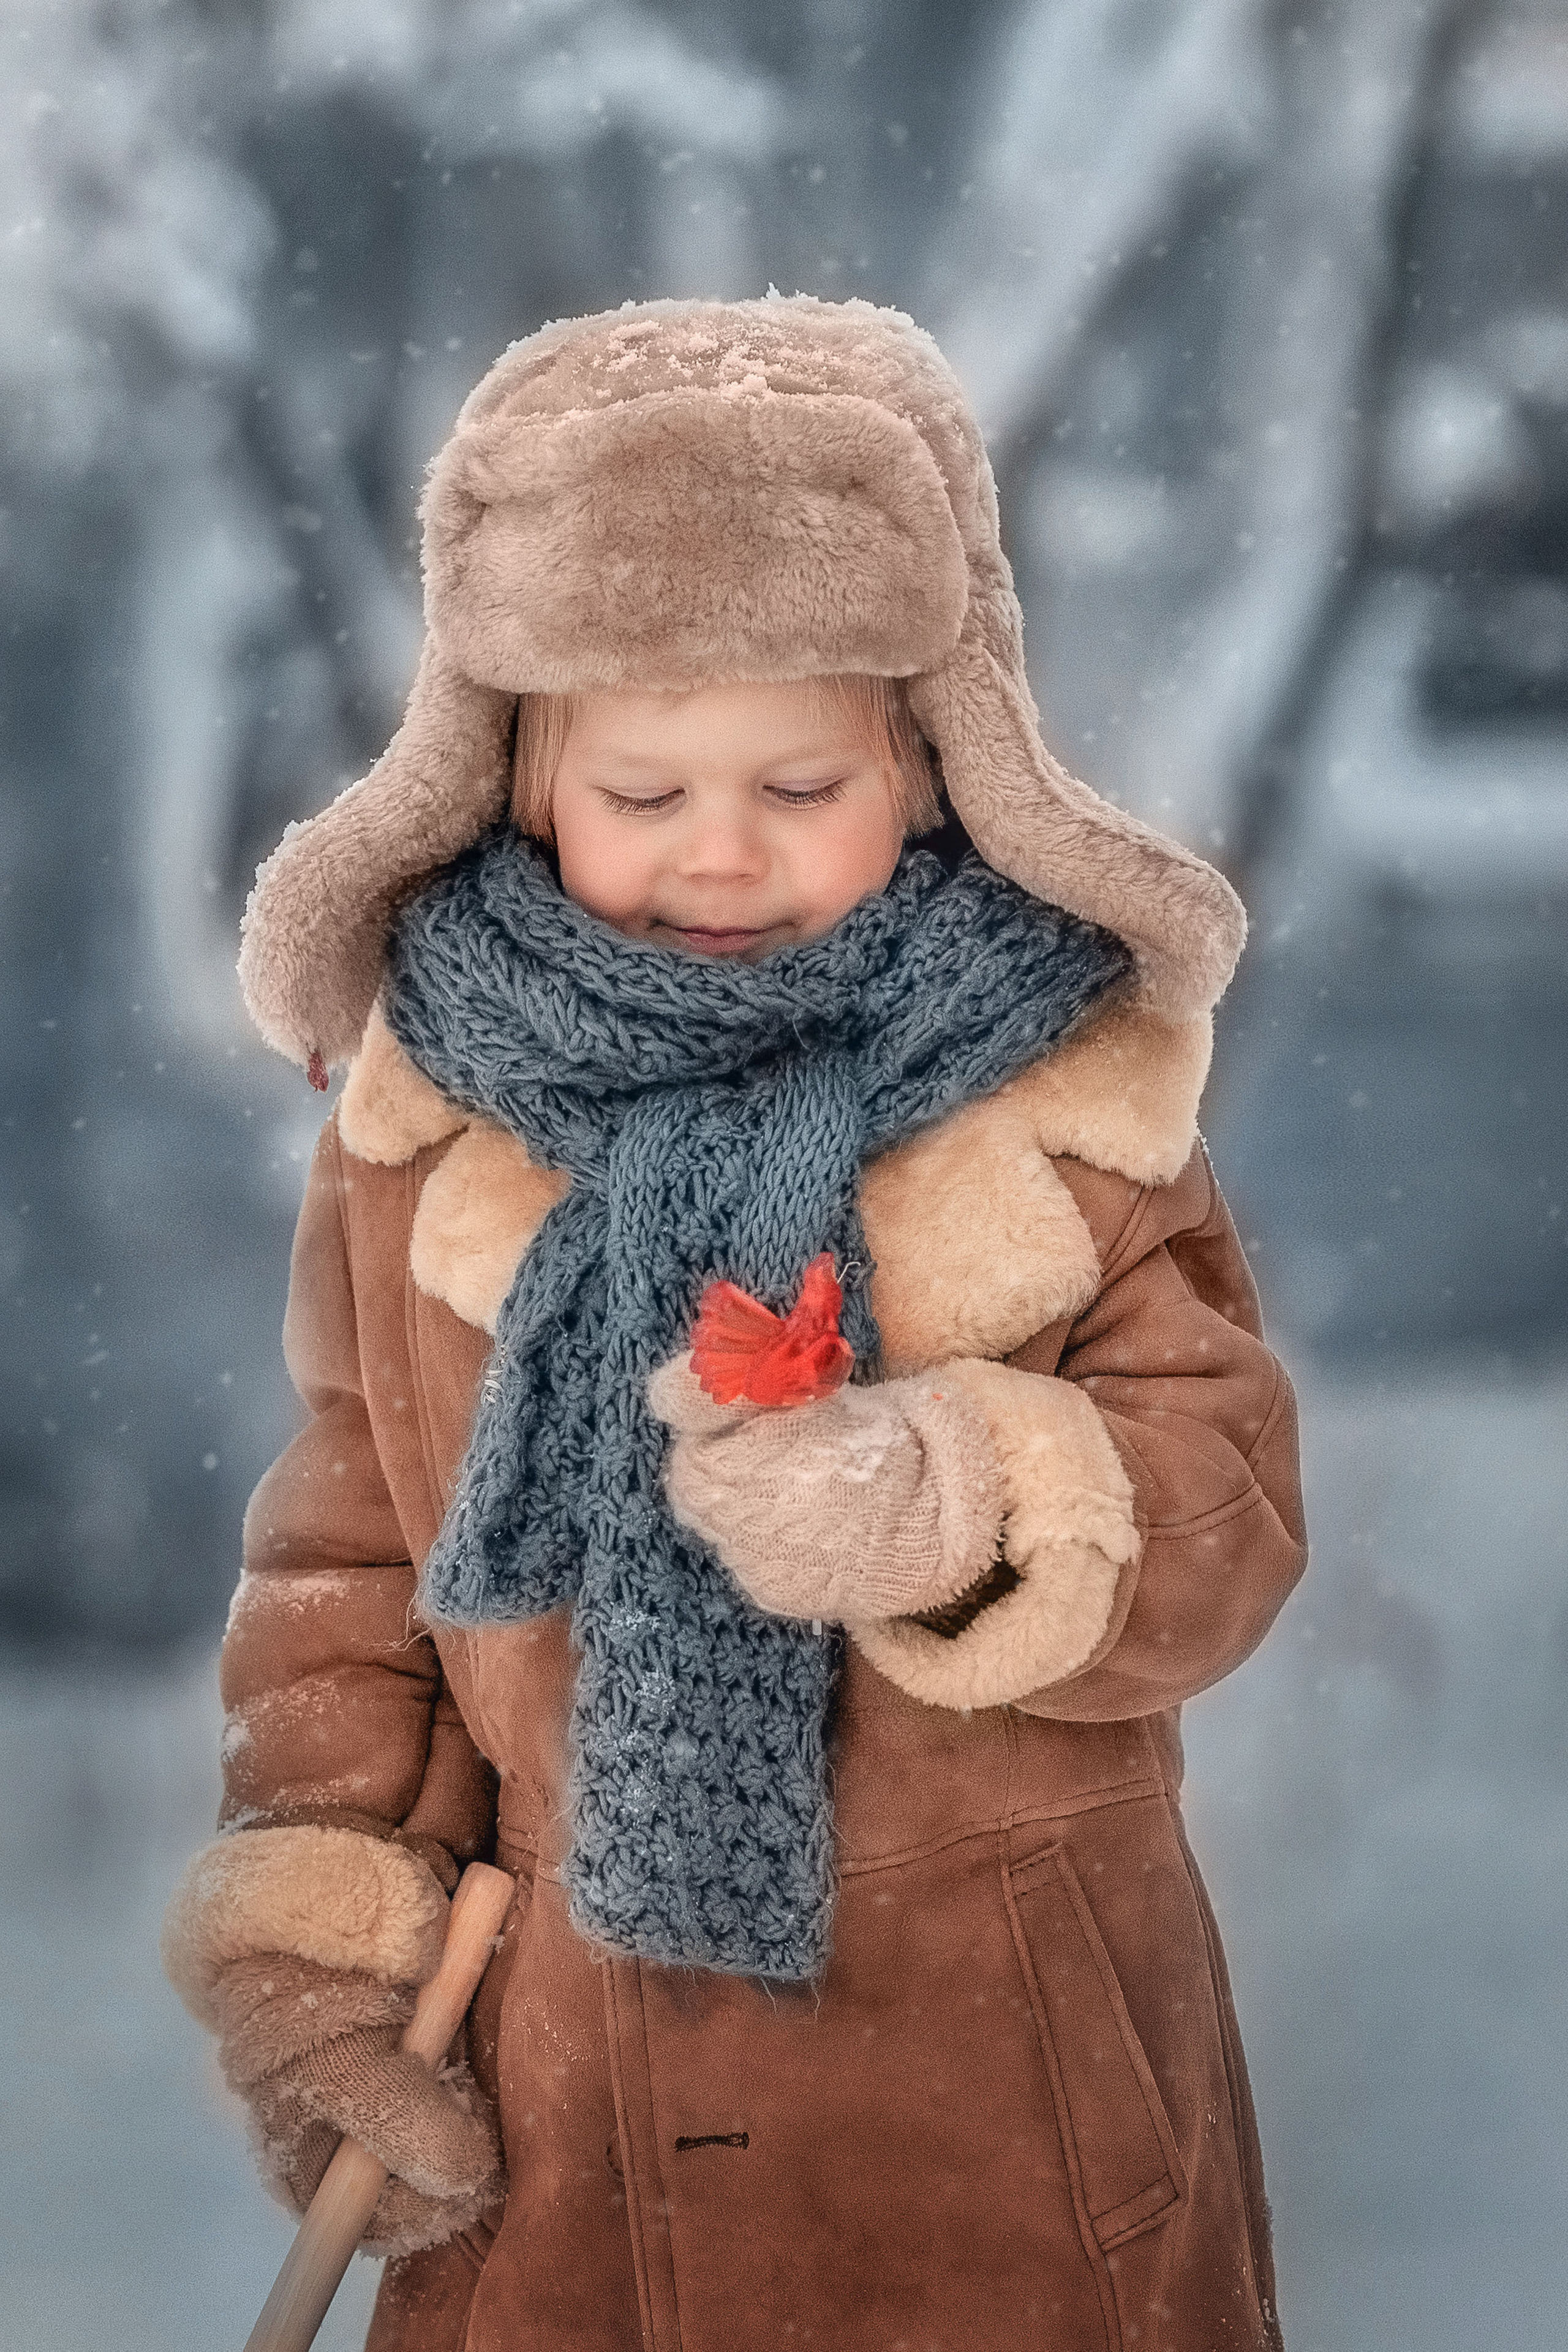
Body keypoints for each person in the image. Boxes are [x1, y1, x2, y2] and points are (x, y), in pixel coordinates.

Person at [161, 295, 1306, 2352]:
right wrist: (331, 1956)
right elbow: (352, 1558)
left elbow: (1224, 1506)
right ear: (520, 784)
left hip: (1005, 2105)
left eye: (796, 780)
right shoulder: (429, 1138)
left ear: (935, 770)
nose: (719, 849)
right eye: (643, 787)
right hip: (564, 2106)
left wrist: (954, 1495)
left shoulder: (1067, 1106)